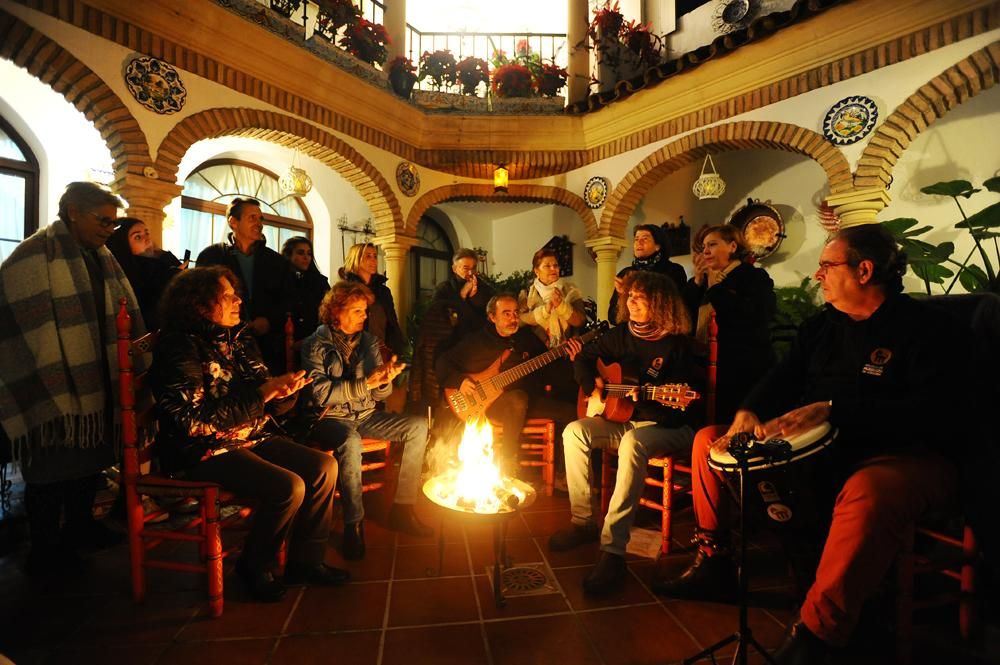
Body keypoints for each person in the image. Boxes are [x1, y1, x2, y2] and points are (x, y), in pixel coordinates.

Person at [652, 225, 976, 664]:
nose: (818, 274)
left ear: (864, 270)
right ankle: (714, 561)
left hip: (905, 453)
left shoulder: (927, 329)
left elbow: (933, 414)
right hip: (827, 447)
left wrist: (834, 410)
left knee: (869, 491)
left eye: (828, 265)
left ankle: (820, 632)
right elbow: (781, 378)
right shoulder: (823, 325)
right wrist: (750, 409)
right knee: (712, 441)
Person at [149, 266, 349, 602]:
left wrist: (284, 394)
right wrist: (263, 395)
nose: (238, 300)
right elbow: (192, 421)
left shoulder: (238, 339)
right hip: (202, 449)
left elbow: (265, 402)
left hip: (250, 436)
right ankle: (255, 566)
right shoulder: (179, 347)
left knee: (323, 468)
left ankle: (306, 562)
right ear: (198, 304)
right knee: (288, 486)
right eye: (227, 296)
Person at [0, 181, 138, 575]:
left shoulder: (103, 257)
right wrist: (52, 363)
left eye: (113, 223)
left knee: (88, 461)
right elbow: (17, 316)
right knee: (51, 469)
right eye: (103, 221)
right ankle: (43, 549)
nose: (109, 230)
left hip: (93, 375)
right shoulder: (34, 254)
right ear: (73, 211)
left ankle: (80, 528)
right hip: (51, 379)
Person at [549, 271, 700, 596]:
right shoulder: (621, 335)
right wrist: (594, 388)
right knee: (574, 432)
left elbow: (683, 408)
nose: (631, 302)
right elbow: (584, 361)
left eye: (640, 297)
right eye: (629, 296)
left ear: (659, 302)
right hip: (623, 422)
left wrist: (646, 396)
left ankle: (613, 553)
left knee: (633, 441)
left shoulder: (676, 346)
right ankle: (582, 521)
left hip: (667, 427)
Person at [300, 281, 431, 560]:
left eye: (364, 310)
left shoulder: (368, 341)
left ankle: (403, 509)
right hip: (330, 418)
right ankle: (353, 524)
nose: (364, 316)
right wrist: (366, 384)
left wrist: (385, 380)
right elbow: (321, 394)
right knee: (350, 439)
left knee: (418, 426)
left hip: (365, 414)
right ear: (337, 312)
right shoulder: (315, 344)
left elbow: (377, 389)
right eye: (357, 310)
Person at [435, 293, 581, 479]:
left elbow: (552, 369)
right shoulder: (477, 341)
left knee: (571, 412)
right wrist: (460, 381)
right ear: (492, 317)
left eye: (515, 313)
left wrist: (572, 358)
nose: (513, 318)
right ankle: (507, 462)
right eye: (506, 313)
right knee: (517, 399)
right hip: (491, 406)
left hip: (528, 400)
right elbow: (443, 362)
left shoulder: (526, 339)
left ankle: (564, 474)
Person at [682, 224, 776, 422]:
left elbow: (754, 316)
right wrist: (698, 282)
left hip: (741, 367)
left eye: (712, 245)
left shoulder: (753, 277)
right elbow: (683, 316)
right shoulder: (702, 282)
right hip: (703, 365)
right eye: (704, 247)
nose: (706, 251)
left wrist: (715, 288)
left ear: (733, 247)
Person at [196, 197, 290, 373]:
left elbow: (287, 298)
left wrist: (269, 320)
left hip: (268, 343)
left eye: (261, 218)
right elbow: (201, 299)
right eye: (252, 217)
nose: (259, 223)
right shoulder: (211, 256)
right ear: (233, 222)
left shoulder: (276, 261)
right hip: (224, 342)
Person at [107, 217, 186, 330]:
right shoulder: (125, 276)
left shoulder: (160, 266)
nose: (147, 240)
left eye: (147, 233)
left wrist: (167, 258)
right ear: (123, 245)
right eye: (138, 237)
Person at [338, 242, 405, 358]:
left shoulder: (383, 291)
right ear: (356, 259)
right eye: (368, 256)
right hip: (355, 351)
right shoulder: (346, 289)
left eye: (375, 256)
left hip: (382, 350)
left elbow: (391, 319)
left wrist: (397, 345)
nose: (374, 260)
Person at [609, 224, 687, 318]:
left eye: (645, 239)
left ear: (658, 246)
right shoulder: (626, 274)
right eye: (636, 239)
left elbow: (679, 309)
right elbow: (612, 316)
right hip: (631, 330)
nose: (639, 243)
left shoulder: (674, 271)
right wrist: (623, 296)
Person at [433, 248, 495, 339]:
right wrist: (462, 295)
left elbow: (490, 314)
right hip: (451, 340)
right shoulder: (444, 289)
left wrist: (474, 297)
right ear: (454, 268)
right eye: (466, 268)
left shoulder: (484, 288)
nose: (470, 272)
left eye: (473, 268)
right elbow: (437, 315)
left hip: (479, 340)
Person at [281, 236, 330, 344]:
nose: (306, 257)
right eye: (300, 253)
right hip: (285, 339)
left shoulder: (320, 282)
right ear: (289, 255)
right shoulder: (280, 280)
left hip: (314, 338)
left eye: (309, 253)